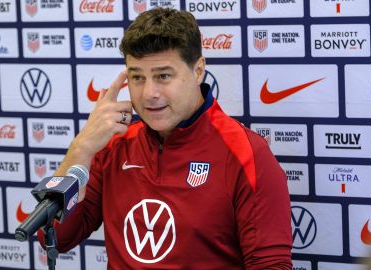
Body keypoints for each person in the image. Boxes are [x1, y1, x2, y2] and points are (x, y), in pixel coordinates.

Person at [38, 7, 292, 269]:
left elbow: (270, 265)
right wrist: (81, 149)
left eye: (163, 76)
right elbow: (56, 238)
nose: (149, 93)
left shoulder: (246, 153)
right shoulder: (113, 145)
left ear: (198, 70)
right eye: (137, 77)